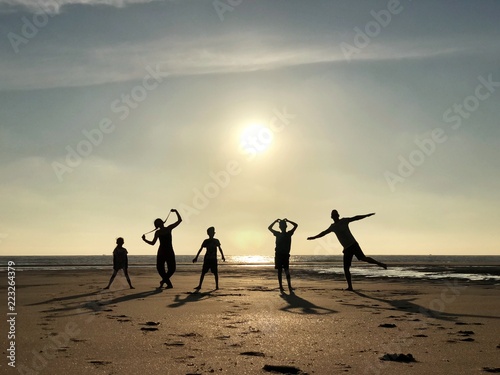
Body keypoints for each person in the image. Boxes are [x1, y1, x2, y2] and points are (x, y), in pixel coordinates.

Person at [307, 210, 387, 291]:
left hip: (353, 244)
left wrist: (366, 215)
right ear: (331, 217)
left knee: (363, 258)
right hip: (347, 248)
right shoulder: (333, 227)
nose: (335, 216)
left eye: (336, 215)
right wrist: (314, 237)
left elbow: (355, 218)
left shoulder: (344, 220)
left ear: (338, 215)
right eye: (333, 215)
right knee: (346, 268)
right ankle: (350, 287)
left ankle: (380, 264)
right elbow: (323, 233)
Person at [142, 209, 182, 289]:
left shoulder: (169, 228)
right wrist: (144, 240)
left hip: (169, 251)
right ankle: (168, 283)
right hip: (162, 252)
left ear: (162, 222)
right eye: (157, 223)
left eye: (159, 222)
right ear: (157, 225)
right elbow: (153, 243)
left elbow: (179, 220)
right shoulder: (158, 232)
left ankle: (164, 281)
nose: (159, 223)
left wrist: (176, 211)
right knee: (160, 268)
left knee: (172, 269)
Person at [268, 218, 298, 292]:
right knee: (284, 270)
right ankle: (287, 286)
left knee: (281, 271)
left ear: (280, 227)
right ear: (286, 226)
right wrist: (288, 221)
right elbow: (295, 225)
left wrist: (275, 221)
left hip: (282, 254)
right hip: (281, 254)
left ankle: (283, 286)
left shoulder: (283, 234)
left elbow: (269, 228)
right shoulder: (287, 234)